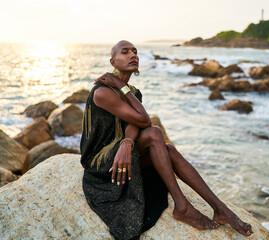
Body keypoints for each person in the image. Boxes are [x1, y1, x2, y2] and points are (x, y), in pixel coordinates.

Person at [80, 40, 253, 240]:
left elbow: (135, 123)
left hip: (120, 152)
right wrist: (120, 87)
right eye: (125, 52)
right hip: (100, 163)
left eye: (135, 52)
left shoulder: (133, 92)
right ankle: (182, 205)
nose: (133, 55)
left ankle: (220, 209)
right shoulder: (103, 92)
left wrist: (126, 143)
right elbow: (144, 120)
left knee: (168, 149)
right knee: (154, 133)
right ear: (113, 62)